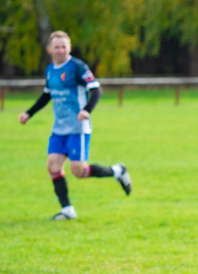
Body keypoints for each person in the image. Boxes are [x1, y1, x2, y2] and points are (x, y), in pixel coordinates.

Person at [18, 31, 131, 220]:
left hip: (78, 128)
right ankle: (67, 210)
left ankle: (117, 171)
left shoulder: (77, 67)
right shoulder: (50, 70)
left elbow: (96, 90)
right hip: (59, 129)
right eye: (57, 47)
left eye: (64, 46)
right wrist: (28, 113)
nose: (61, 50)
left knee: (78, 171)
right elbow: (47, 95)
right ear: (49, 49)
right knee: (53, 166)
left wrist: (87, 110)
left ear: (69, 48)